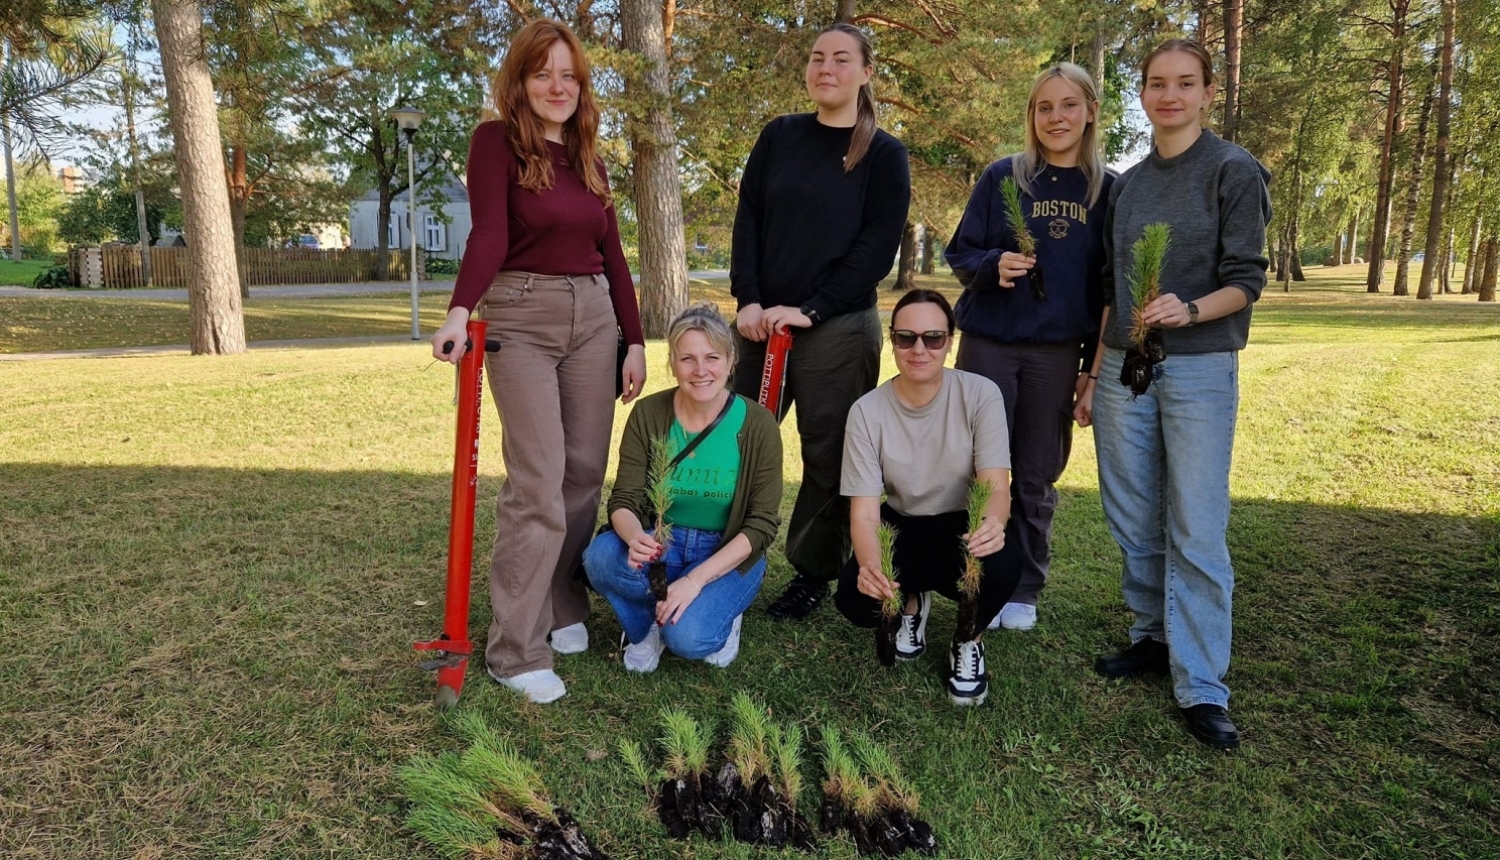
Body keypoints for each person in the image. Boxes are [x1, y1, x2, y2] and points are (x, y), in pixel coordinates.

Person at [430, 19, 648, 705]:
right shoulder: (495, 142)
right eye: (542, 72)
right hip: (521, 317)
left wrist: (635, 338)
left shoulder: (588, 153)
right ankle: (513, 649)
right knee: (539, 478)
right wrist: (460, 310)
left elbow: (612, 253)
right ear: (519, 81)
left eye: (569, 74)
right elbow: (490, 234)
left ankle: (560, 603)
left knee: (583, 473)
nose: (557, 85)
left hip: (594, 321)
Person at [1073, 39, 1271, 749]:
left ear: (1208, 93)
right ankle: (1152, 635)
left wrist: (1188, 310)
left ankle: (1202, 684)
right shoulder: (1126, 184)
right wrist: (1093, 373)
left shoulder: (1232, 170)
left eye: (1185, 84)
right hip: (1127, 371)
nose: (1170, 96)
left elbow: (1246, 278)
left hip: (1197, 369)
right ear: (1144, 94)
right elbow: (1109, 291)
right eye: (1157, 84)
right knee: (1132, 512)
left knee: (1196, 523)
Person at [730, 22, 911, 621]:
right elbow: (749, 220)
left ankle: (812, 571)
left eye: (840, 59)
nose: (825, 69)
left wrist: (810, 309)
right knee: (734, 442)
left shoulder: (883, 154)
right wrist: (750, 300)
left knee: (828, 456)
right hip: (760, 327)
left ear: (866, 72)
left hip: (835, 327)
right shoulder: (780, 135)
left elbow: (875, 250)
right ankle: (713, 553)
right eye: (816, 59)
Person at [945, 62, 1114, 633]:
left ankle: (1023, 587)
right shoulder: (1002, 177)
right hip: (989, 346)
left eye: (1068, 105)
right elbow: (961, 255)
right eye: (1044, 107)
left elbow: (1109, 288)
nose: (1056, 117)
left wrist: (1091, 371)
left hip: (1055, 352)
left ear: (1090, 111)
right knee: (977, 468)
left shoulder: (1107, 190)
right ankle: (975, 574)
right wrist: (995, 264)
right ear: (1031, 117)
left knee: (1037, 474)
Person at [836, 290, 1024, 706]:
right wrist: (871, 567)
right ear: (892, 341)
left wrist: (992, 524)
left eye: (933, 337)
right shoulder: (867, 411)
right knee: (855, 598)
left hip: (963, 524)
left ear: (950, 342)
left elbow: (995, 483)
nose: (919, 348)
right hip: (901, 522)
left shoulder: (980, 394)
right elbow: (865, 513)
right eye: (906, 338)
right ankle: (912, 604)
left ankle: (967, 639)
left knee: (1006, 565)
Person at [583, 304, 783, 672]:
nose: (700, 370)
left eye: (712, 357)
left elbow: (761, 525)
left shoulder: (758, 424)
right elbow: (625, 498)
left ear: (731, 359)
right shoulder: (648, 413)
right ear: (672, 362)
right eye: (687, 358)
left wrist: (694, 581)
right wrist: (632, 538)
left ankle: (717, 611)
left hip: (726, 552)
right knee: (599, 558)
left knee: (690, 641)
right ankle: (645, 628)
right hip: (662, 541)